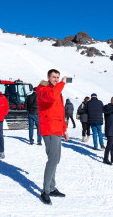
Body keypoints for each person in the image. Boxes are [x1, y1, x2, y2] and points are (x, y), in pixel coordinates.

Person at [36, 69, 69, 205]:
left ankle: (51, 187)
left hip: (57, 128)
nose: (56, 79)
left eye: (58, 77)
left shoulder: (55, 90)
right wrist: (61, 84)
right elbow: (52, 97)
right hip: (49, 129)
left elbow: (60, 112)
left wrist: (64, 129)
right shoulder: (43, 89)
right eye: (54, 77)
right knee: (53, 159)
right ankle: (45, 191)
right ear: (48, 77)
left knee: (56, 159)